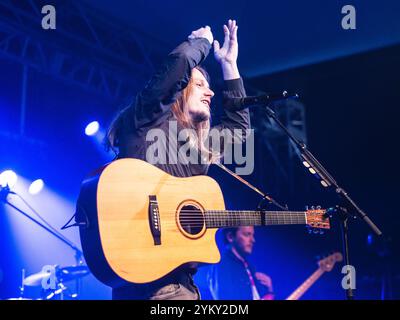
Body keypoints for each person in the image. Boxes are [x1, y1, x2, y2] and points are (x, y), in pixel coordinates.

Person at [105, 19, 251, 300]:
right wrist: (201, 43)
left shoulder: (199, 148)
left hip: (181, 283)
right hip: (150, 285)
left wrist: (229, 66)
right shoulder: (145, 123)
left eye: (209, 87)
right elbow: (178, 65)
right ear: (179, 91)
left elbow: (238, 129)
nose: (210, 93)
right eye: (200, 85)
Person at [208, 226, 274, 300]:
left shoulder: (249, 265)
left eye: (252, 235)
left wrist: (269, 291)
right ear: (230, 237)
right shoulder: (221, 264)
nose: (253, 240)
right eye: (247, 234)